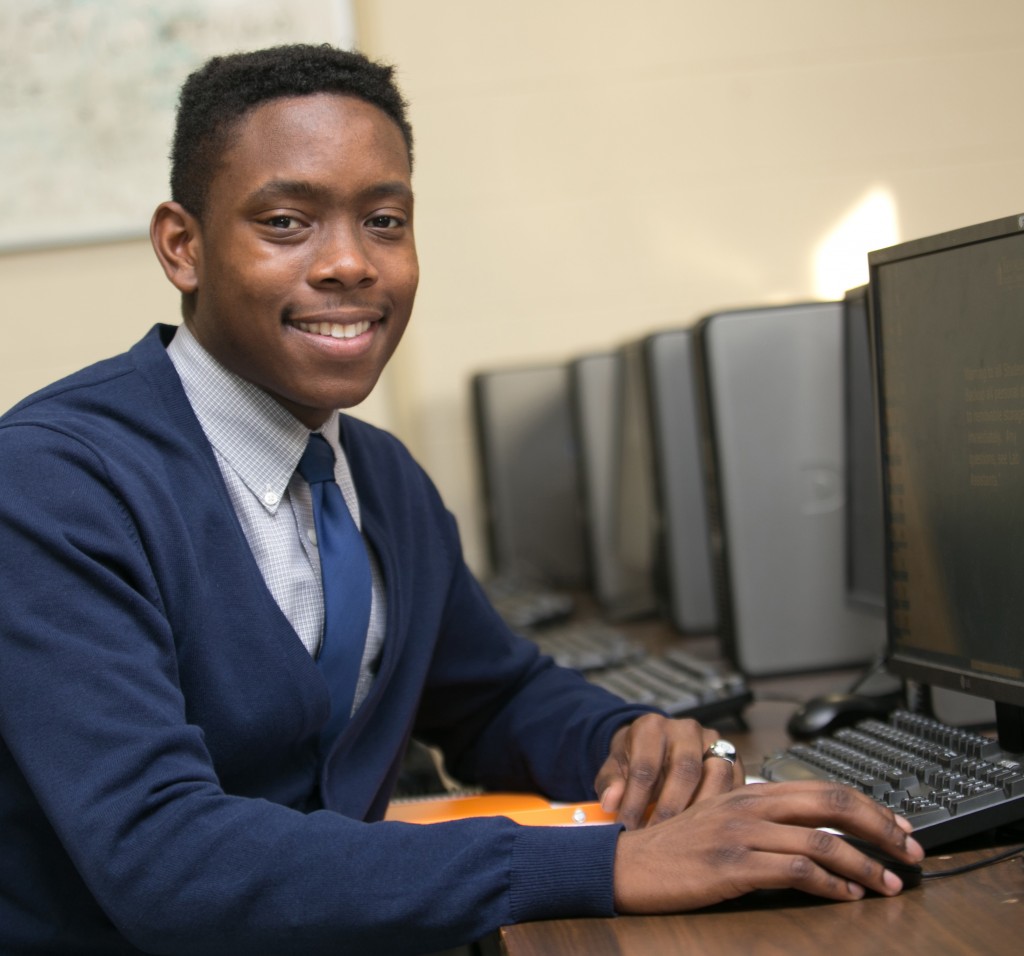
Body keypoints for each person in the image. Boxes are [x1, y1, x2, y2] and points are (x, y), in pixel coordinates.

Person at [0, 44, 922, 956]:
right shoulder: (55, 484)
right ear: (183, 246)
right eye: (286, 223)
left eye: (386, 221)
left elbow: (491, 698)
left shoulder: (380, 476)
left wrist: (632, 740)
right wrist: (606, 866)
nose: (350, 264)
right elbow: (166, 859)